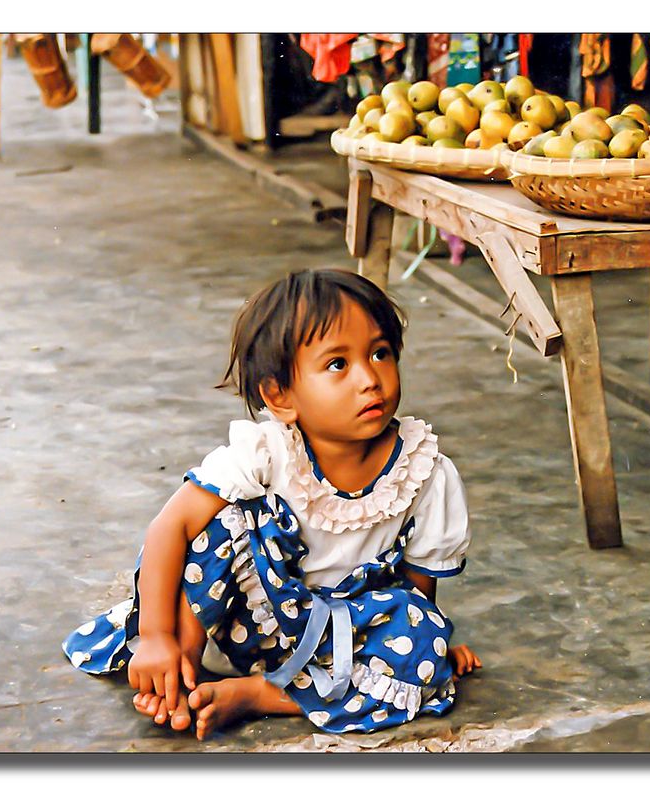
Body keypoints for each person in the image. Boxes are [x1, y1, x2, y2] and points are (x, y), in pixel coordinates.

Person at [62, 268, 481, 740]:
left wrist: (430, 644)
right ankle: (180, 670)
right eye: (338, 365)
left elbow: (416, 590)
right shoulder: (267, 454)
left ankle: (256, 695)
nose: (370, 378)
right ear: (280, 397)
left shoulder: (425, 470)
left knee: (419, 630)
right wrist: (156, 637)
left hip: (347, 637)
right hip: (252, 623)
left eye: (380, 353)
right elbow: (170, 528)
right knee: (223, 523)